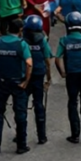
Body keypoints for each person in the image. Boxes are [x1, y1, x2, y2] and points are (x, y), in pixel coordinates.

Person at [0, 17, 32, 154]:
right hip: (17, 82)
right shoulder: (21, 44)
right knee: (20, 113)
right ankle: (21, 145)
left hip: (1, 82)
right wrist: (26, 81)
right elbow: (29, 64)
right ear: (20, 30)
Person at [56, 11, 81, 144]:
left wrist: (62, 72)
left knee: (73, 102)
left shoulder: (64, 40)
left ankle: (75, 134)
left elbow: (58, 59)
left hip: (72, 75)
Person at [22, 15, 52, 145]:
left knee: (21, 106)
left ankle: (21, 135)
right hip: (39, 75)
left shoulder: (23, 41)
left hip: (24, 77)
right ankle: (42, 136)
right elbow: (47, 60)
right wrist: (49, 78)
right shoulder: (43, 41)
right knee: (39, 105)